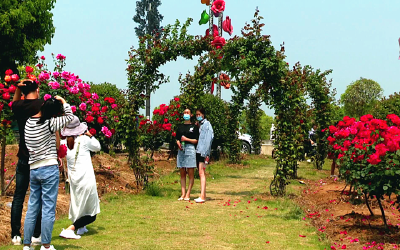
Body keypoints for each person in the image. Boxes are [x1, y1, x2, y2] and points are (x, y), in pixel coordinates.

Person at [23, 96, 74, 250]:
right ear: (53, 113)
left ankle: (27, 245)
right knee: (48, 208)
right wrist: (64, 102)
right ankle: (46, 245)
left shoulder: (28, 122)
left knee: (32, 207)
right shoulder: (51, 123)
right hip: (48, 168)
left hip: (34, 168)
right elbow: (70, 117)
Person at [10, 79, 42, 246]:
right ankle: (37, 234)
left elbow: (14, 102)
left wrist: (17, 87)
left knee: (18, 196)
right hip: (39, 158)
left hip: (23, 156)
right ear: (37, 90)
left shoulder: (19, 107)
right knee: (38, 197)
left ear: (23, 92)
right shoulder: (41, 105)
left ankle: (15, 234)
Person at [58, 116, 101, 239]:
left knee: (79, 205)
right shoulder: (84, 141)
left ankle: (81, 228)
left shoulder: (63, 143)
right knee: (92, 214)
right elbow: (97, 147)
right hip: (86, 179)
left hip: (74, 180)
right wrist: (90, 135)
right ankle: (70, 229)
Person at [175, 109, 199, 201]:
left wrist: (186, 139)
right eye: (184, 113)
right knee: (182, 172)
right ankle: (183, 193)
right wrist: (178, 143)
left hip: (190, 149)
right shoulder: (180, 127)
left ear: (191, 115)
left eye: (187, 113)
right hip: (181, 150)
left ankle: (188, 193)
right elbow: (177, 138)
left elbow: (196, 140)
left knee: (190, 172)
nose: (186, 114)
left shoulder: (194, 126)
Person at [195, 108, 214, 203]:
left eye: (199, 114)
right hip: (199, 150)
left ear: (203, 115)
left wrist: (206, 153)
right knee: (200, 172)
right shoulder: (201, 125)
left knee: (201, 173)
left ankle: (202, 196)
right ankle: (203, 195)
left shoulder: (207, 124)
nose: (198, 116)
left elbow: (209, 139)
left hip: (203, 151)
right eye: (196, 115)